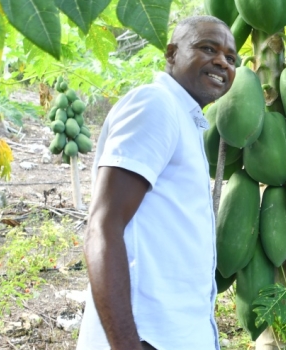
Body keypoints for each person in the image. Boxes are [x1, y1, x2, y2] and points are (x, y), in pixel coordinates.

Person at [76, 15, 237, 350]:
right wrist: (126, 344)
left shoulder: (185, 119)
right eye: (208, 48)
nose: (222, 61)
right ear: (171, 53)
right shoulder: (156, 104)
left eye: (231, 58)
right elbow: (103, 227)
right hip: (147, 338)